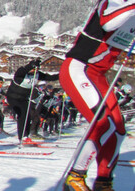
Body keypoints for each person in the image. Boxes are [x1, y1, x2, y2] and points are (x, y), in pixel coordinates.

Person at [58, 1, 135, 190]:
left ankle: (103, 182)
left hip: (98, 75)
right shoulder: (113, 2)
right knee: (103, 124)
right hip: (79, 68)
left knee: (117, 130)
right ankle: (75, 176)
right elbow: (108, 23)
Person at [6, 59, 58, 142]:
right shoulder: (22, 73)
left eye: (36, 70)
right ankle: (22, 137)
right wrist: (31, 65)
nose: (35, 71)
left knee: (28, 116)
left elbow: (50, 77)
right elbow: (23, 70)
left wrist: (63, 74)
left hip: (24, 99)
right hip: (13, 97)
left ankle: (25, 136)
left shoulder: (36, 75)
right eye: (33, 69)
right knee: (22, 115)